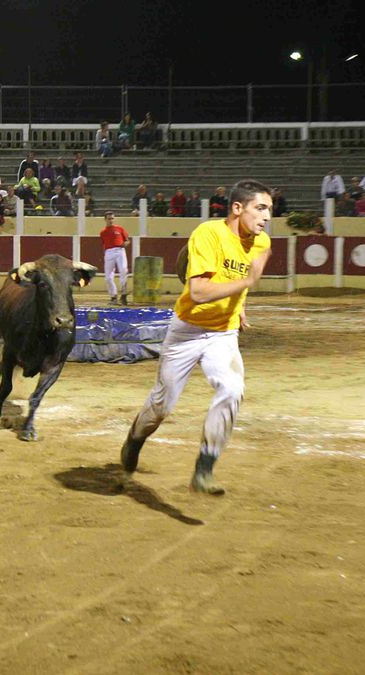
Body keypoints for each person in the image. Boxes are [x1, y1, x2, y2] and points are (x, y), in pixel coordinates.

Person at [119, 180, 273, 495]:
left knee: (232, 389)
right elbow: (199, 292)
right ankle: (136, 437)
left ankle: (204, 470)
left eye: (270, 209)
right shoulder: (208, 233)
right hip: (186, 331)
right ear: (237, 208)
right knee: (162, 406)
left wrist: (239, 306)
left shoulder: (262, 243)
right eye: (261, 208)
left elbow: (238, 282)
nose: (267, 216)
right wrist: (246, 282)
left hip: (223, 333)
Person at [99, 211, 130, 304]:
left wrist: (125, 244)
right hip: (109, 252)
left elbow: (127, 240)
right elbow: (104, 244)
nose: (111, 220)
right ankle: (113, 296)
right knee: (108, 277)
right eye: (109, 219)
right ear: (105, 219)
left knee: (124, 270)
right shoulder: (102, 232)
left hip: (120, 250)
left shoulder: (120, 229)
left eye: (112, 218)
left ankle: (123, 294)